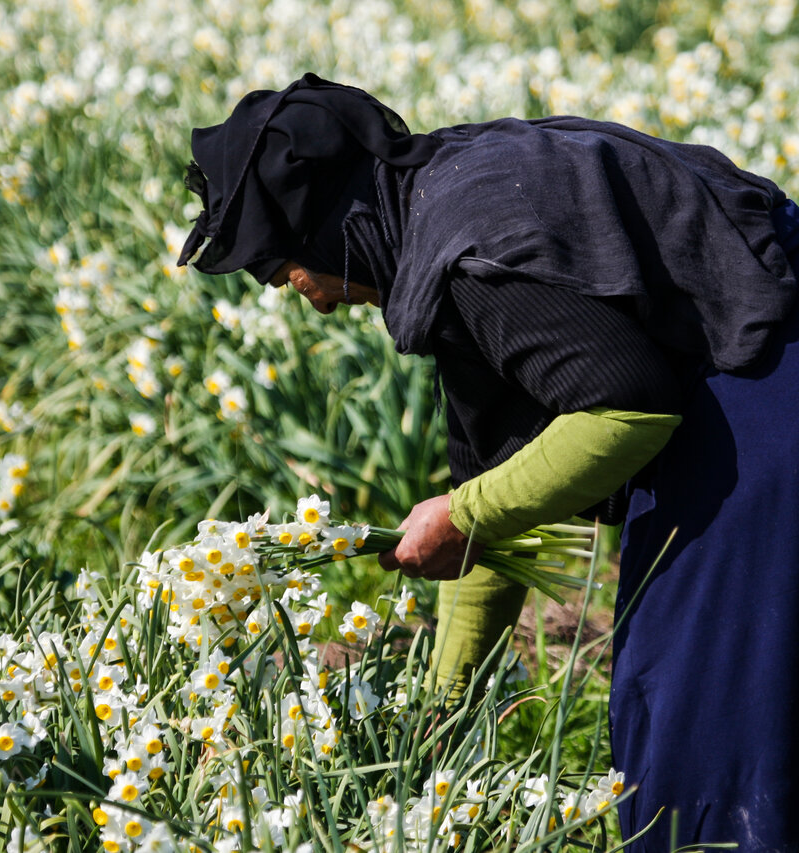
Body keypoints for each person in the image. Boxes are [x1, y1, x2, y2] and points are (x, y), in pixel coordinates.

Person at [176, 72, 799, 853]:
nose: (312, 298)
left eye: (286, 270)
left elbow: (630, 410)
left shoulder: (472, 260)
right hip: (750, 376)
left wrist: (461, 516)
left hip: (769, 398)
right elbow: (496, 508)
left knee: (700, 731)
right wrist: (445, 715)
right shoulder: (438, 208)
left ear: (325, 224)